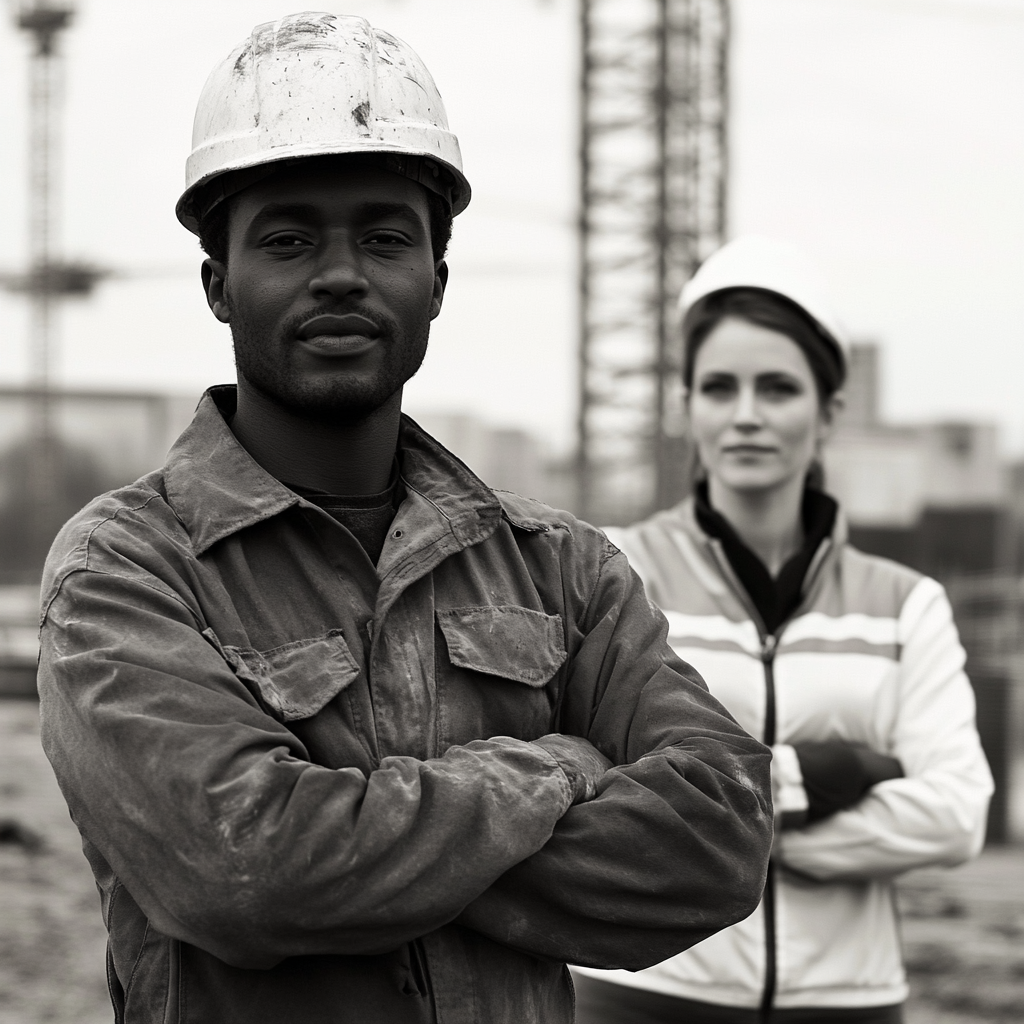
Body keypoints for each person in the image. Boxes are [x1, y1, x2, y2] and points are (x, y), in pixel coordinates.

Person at [35, 15, 773, 1024]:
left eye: (384, 236)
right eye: (288, 238)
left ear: (436, 279)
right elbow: (243, 869)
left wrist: (358, 853)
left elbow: (721, 834)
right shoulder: (128, 570)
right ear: (217, 284)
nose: (340, 272)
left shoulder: (559, 571)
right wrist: (550, 767)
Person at [572, 236, 994, 1024]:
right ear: (687, 405)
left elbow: (956, 814)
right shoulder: (614, 570)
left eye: (777, 388)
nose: (746, 417)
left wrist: (725, 826)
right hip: (644, 996)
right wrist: (814, 781)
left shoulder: (907, 605)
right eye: (718, 388)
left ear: (828, 410)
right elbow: (591, 794)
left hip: (849, 1003)